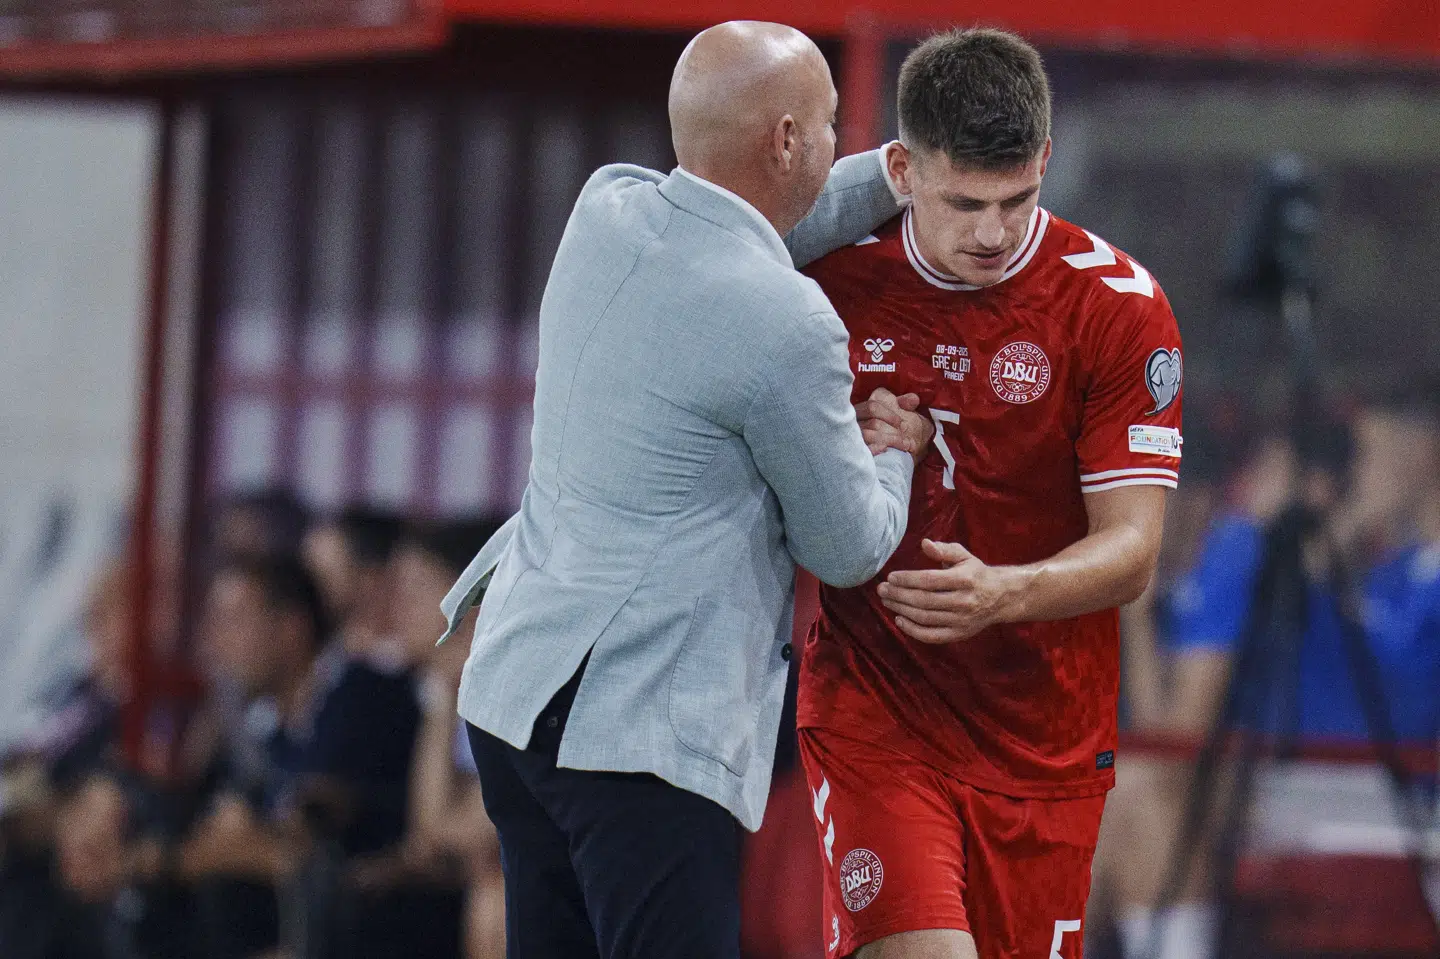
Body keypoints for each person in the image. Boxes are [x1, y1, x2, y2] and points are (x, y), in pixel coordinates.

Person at [440, 19, 933, 959]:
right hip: (636, 738)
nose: (840, 144)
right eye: (831, 126)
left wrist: (895, 174)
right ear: (787, 140)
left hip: (514, 701)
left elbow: (748, 230)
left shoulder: (607, 210)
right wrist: (896, 449)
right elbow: (849, 544)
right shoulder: (786, 321)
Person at [796, 29, 1184, 959]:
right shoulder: (822, 291)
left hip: (1045, 743)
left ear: (1046, 160)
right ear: (900, 167)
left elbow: (1133, 548)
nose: (992, 233)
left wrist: (1002, 592)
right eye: (965, 202)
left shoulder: (1119, 309)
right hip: (877, 711)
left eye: (1018, 200)